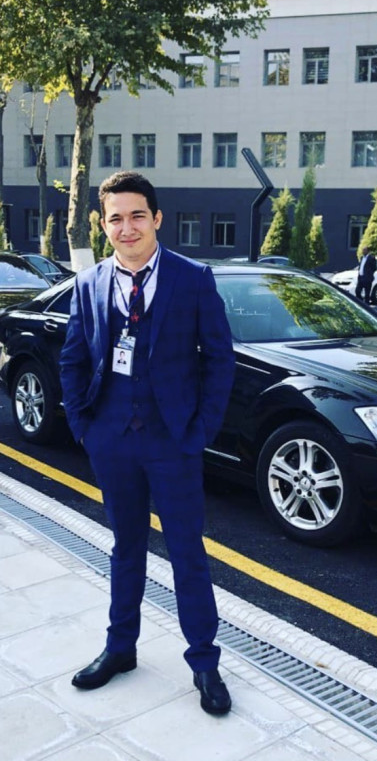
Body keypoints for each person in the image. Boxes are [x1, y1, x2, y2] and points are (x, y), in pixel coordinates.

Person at [59, 171, 235, 715]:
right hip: (111, 440)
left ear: (157, 219)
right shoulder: (89, 283)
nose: (127, 227)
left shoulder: (193, 278)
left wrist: (200, 432)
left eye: (137, 215)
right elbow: (73, 359)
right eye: (116, 218)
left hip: (173, 441)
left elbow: (219, 361)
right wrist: (83, 427)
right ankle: (121, 648)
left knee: (187, 552)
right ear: (104, 225)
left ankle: (204, 662)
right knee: (125, 547)